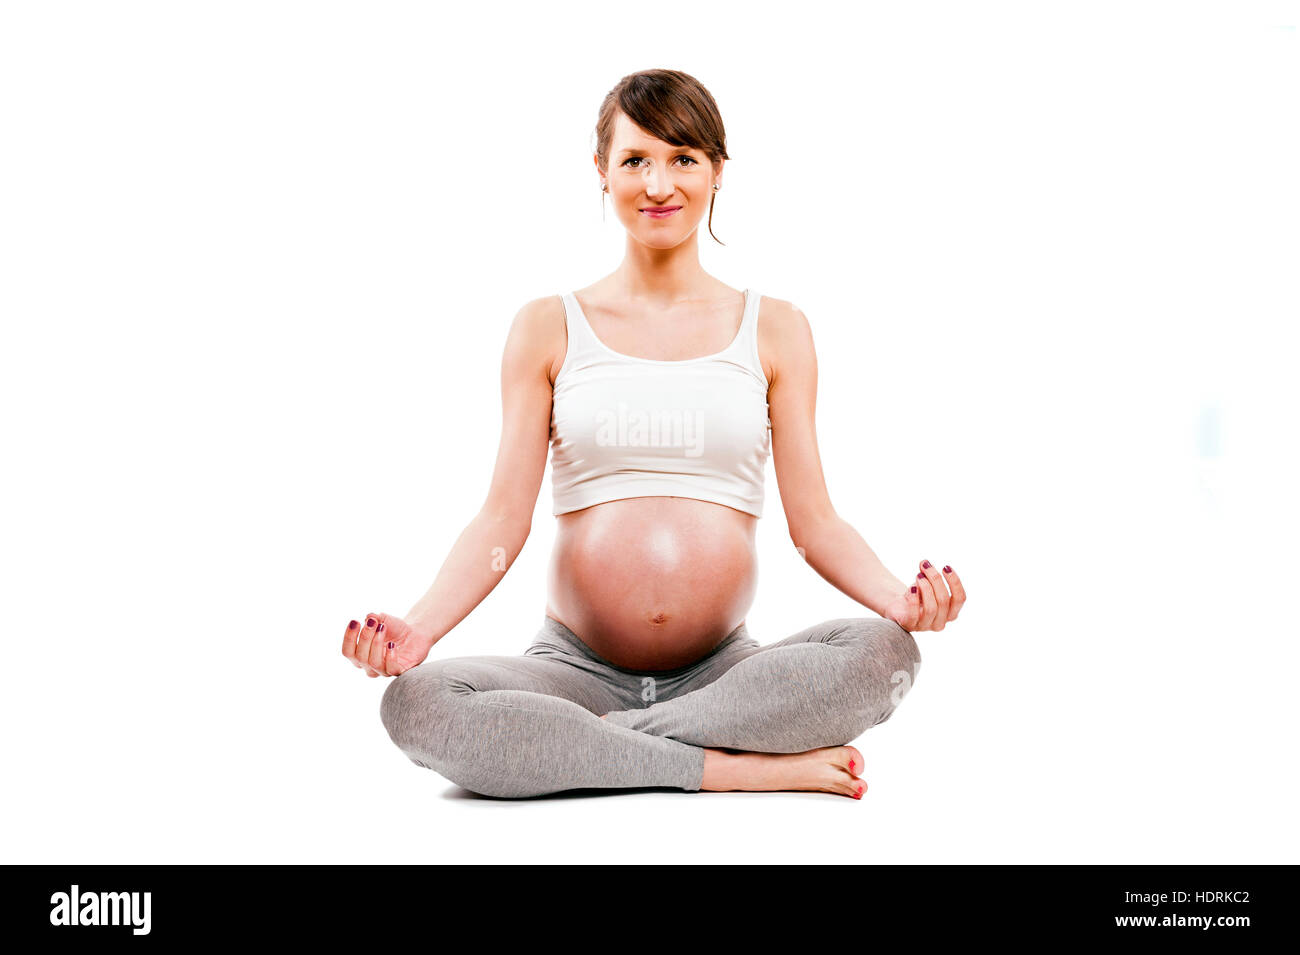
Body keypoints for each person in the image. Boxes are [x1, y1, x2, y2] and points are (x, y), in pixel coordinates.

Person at [342, 68, 966, 799]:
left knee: (882, 654)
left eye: (683, 158)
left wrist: (898, 598)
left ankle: (579, 753)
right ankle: (723, 764)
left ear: (718, 171)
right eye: (635, 159)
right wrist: (418, 629)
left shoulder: (778, 329)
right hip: (570, 672)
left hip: (725, 676)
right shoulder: (547, 325)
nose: (658, 183)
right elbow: (501, 520)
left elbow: (816, 524)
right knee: (419, 705)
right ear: (602, 172)